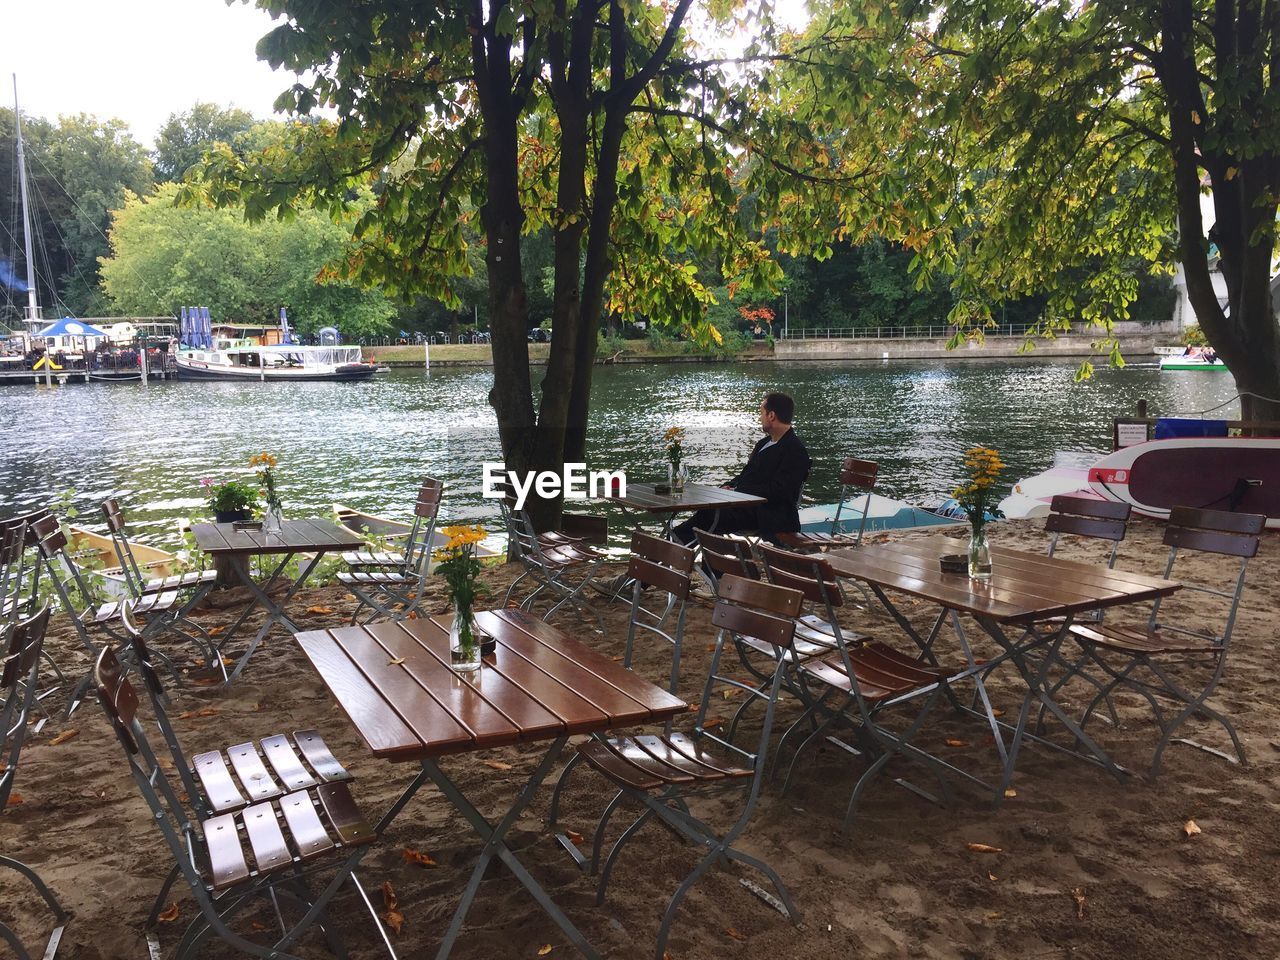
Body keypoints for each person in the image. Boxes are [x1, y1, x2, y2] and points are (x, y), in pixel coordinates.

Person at [672, 392, 811, 546]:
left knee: (708, 518)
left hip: (767, 513)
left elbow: (779, 490)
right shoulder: (763, 443)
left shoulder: (795, 450)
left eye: (761, 413)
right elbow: (745, 475)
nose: (760, 418)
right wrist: (728, 487)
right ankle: (697, 559)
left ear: (771, 415)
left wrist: (738, 492)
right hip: (743, 506)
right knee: (707, 514)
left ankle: (675, 552)